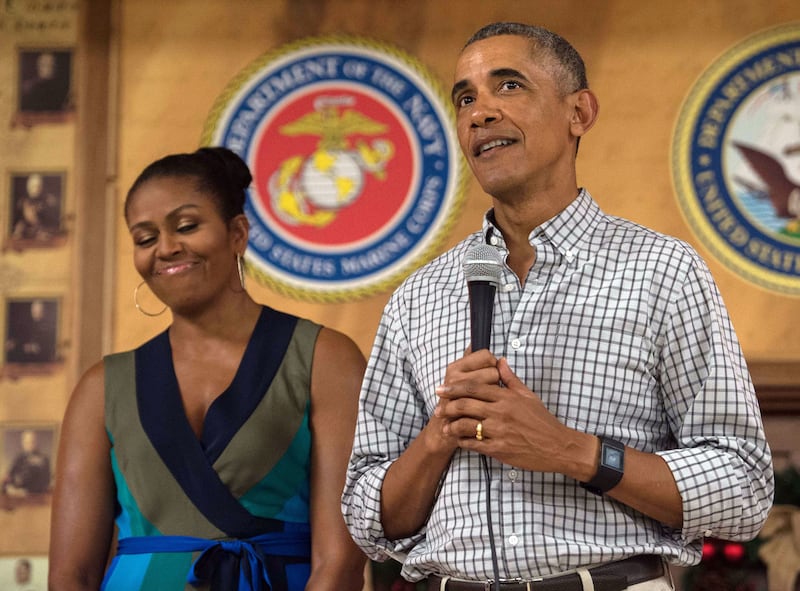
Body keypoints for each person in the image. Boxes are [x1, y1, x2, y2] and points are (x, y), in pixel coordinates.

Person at [342, 22, 774, 591]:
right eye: (466, 98)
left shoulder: (662, 271)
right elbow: (369, 519)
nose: (480, 112)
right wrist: (438, 436)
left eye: (509, 86)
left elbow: (743, 489)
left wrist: (572, 451)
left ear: (580, 113)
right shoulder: (418, 296)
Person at [49, 147, 367, 590]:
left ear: (237, 233)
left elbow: (340, 566)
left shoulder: (326, 359)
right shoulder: (101, 387)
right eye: (144, 238)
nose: (165, 248)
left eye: (186, 226)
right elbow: (71, 575)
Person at [2, 430, 51, 496]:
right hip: (15, 494)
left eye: (32, 442)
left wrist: (25, 491)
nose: (29, 445)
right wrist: (8, 485)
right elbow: (10, 475)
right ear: (22, 443)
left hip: (34, 497)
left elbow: (44, 482)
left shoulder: (44, 460)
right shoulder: (19, 458)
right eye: (26, 442)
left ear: (36, 442)